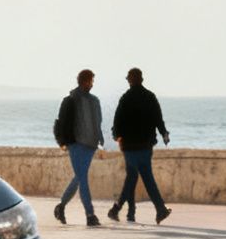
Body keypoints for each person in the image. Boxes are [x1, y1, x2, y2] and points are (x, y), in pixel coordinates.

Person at [109, 67, 174, 224]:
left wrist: (116, 136)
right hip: (145, 145)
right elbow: (159, 119)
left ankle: (119, 209)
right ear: (142, 79)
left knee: (132, 177)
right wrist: (164, 134)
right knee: (145, 177)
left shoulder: (125, 98)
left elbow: (117, 121)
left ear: (130, 80)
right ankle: (158, 210)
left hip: (129, 146)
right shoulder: (150, 97)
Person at [52, 69, 105, 227]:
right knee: (82, 179)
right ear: (83, 81)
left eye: (92, 81)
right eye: (90, 81)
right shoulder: (70, 100)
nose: (91, 84)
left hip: (90, 145)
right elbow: (60, 122)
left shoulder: (95, 101)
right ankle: (90, 215)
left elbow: (98, 122)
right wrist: (62, 141)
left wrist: (100, 139)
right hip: (75, 144)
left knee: (78, 178)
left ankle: (60, 207)